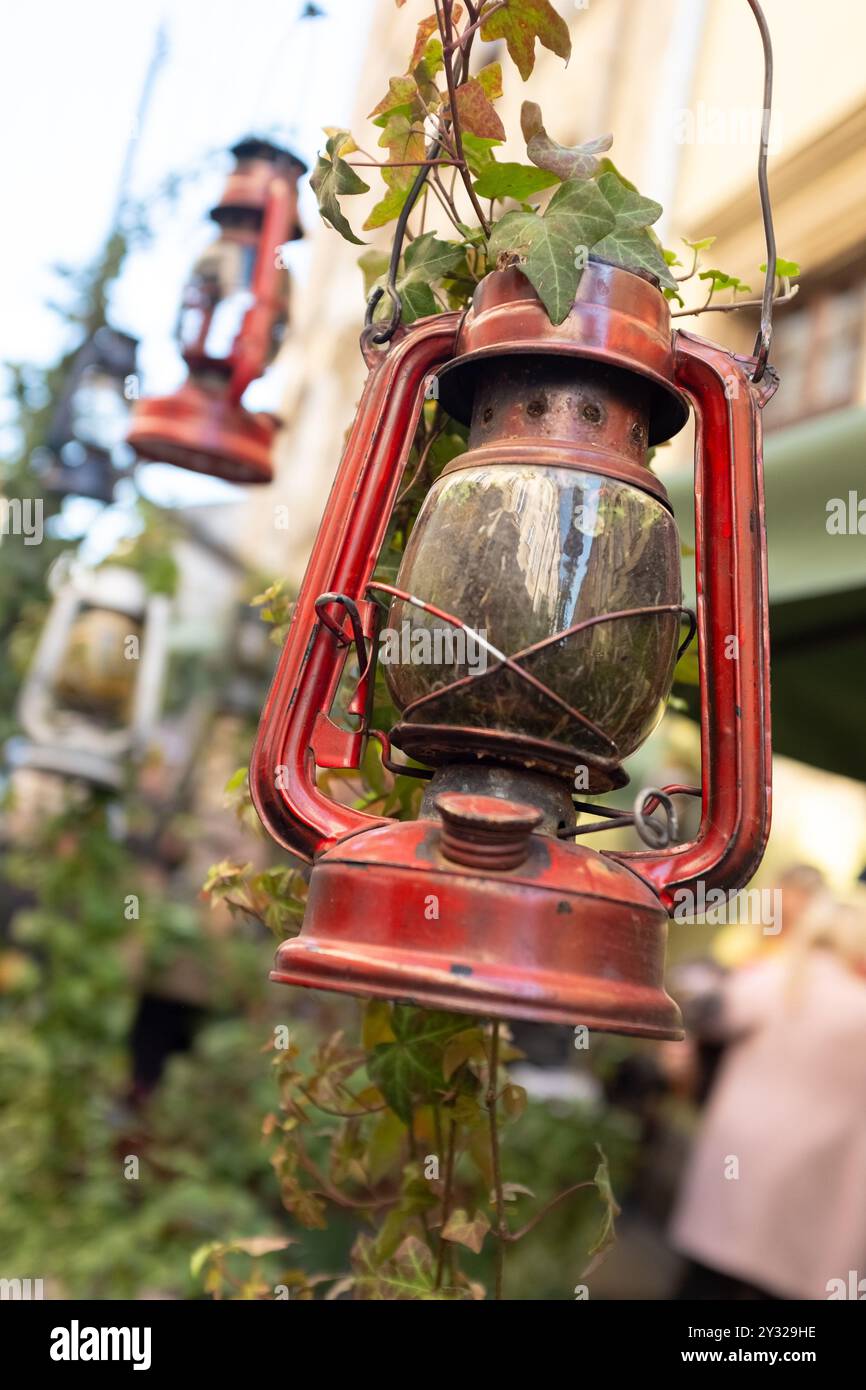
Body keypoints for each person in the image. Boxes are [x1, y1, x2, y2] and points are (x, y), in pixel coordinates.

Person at [669, 884, 866, 1300]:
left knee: (707, 1281)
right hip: (820, 1172)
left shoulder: (779, 980)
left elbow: (706, 1013)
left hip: (739, 1157)